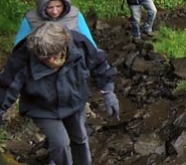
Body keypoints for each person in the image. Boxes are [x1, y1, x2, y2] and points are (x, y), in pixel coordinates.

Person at [0, 22, 119, 165]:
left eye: (53, 55)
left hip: (74, 101)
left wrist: (108, 91)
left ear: (64, 46)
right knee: (60, 143)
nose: (50, 60)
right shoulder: (23, 54)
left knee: (80, 139)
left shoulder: (80, 43)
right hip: (41, 106)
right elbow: (7, 85)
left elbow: (99, 64)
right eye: (44, 58)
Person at [15, 0, 97, 48]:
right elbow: (18, 47)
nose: (55, 11)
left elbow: (90, 44)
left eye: (58, 6)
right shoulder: (30, 19)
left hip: (73, 62)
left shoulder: (75, 15)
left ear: (64, 5)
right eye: (50, 7)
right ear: (42, 6)